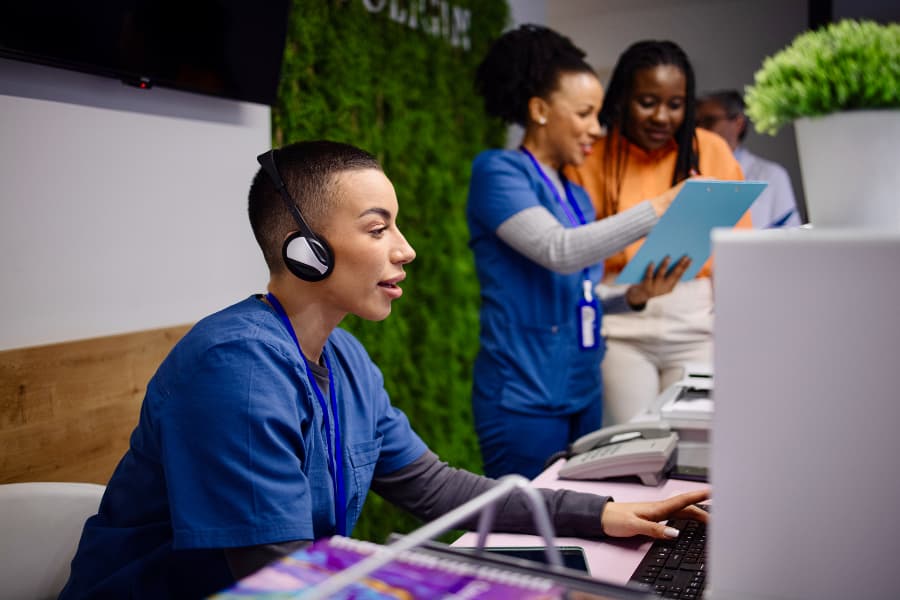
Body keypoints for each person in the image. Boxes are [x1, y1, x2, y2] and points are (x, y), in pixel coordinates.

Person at [59, 141, 709, 599]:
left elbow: (436, 488)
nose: (407, 249)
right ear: (307, 252)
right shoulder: (237, 372)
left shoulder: (344, 359)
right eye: (379, 230)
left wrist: (599, 515)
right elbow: (275, 575)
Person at [467, 25, 691, 480]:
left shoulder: (576, 194)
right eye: (586, 114)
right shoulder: (499, 173)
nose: (596, 128)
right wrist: (662, 205)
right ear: (540, 110)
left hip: (581, 390)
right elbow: (559, 250)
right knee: (526, 529)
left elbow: (578, 291)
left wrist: (632, 296)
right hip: (523, 395)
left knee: (573, 518)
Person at [568, 41, 752, 426]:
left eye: (675, 104)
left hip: (696, 321)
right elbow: (578, 251)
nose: (662, 117)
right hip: (620, 323)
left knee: (696, 446)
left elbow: (738, 246)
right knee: (630, 446)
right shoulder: (592, 156)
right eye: (647, 101)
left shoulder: (711, 150)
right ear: (621, 99)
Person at [696, 89, 801, 228]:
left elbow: (791, 235)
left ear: (738, 123)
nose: (700, 130)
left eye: (709, 121)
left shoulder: (771, 175)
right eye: (696, 123)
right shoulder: (690, 172)